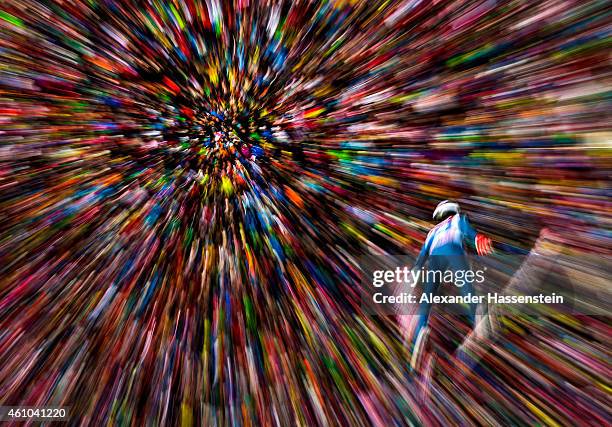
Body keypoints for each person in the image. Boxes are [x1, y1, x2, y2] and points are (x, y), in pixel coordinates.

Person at [410, 200, 493, 372]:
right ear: (453, 210)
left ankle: (421, 332)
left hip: (435, 256)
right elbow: (469, 232)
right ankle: (477, 318)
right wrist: (478, 237)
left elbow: (422, 256)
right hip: (453, 250)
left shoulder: (432, 231)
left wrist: (416, 270)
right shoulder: (458, 219)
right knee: (465, 286)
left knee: (427, 297)